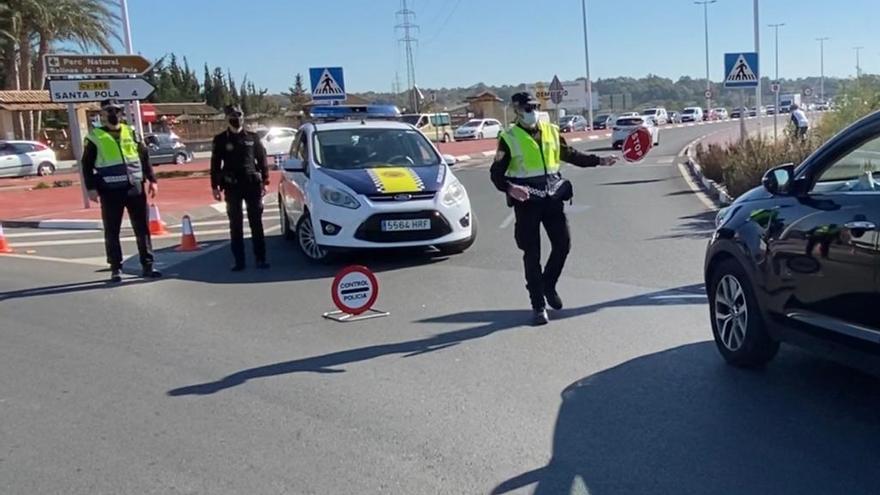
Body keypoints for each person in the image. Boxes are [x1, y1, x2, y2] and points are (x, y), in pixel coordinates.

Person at [490, 92, 617, 325]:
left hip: (552, 198)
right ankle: (538, 305)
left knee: (563, 244)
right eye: (528, 108)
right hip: (527, 202)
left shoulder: (550, 130)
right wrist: (510, 189)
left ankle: (548, 284)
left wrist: (600, 160)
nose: (533, 111)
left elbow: (570, 155)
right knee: (532, 253)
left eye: (536, 107)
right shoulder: (509, 137)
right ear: (517, 110)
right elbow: (496, 174)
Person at [82, 99, 161, 283]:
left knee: (142, 229)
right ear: (102, 114)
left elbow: (144, 158)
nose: (114, 114)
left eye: (117, 110)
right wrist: (91, 188)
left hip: (134, 187)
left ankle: (148, 265)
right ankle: (116, 268)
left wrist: (152, 180)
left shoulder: (131, 132)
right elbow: (86, 165)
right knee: (112, 230)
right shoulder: (95, 137)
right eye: (109, 110)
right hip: (110, 190)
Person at [211, 104, 270, 271]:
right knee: (235, 225)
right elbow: (215, 164)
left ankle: (260, 259)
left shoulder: (253, 137)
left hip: (252, 184)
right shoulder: (221, 139)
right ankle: (239, 261)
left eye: (239, 115)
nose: (236, 119)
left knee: (256, 223)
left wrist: (265, 180)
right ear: (227, 119)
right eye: (233, 116)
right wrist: (214, 187)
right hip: (232, 186)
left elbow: (262, 159)